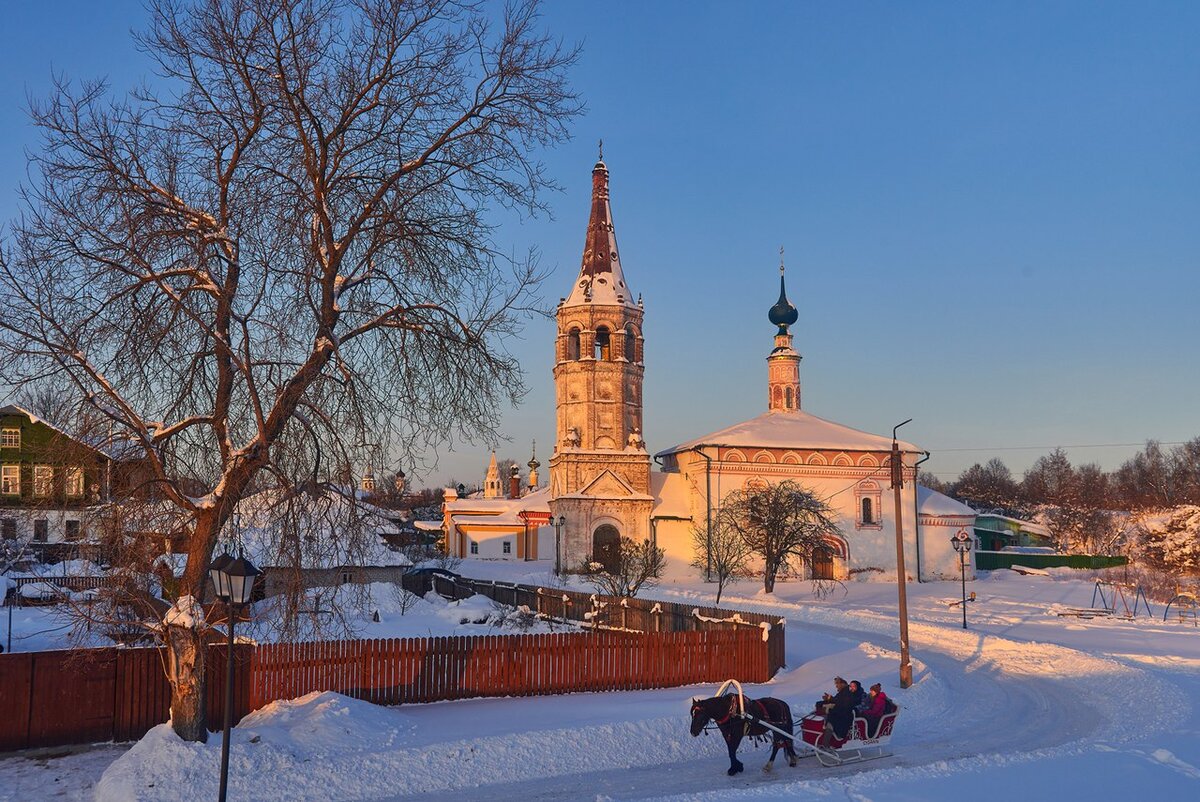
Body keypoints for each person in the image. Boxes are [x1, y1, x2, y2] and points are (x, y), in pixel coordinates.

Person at [818, 677, 855, 747]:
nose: (836, 686)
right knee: (823, 717)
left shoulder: (847, 693)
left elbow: (843, 706)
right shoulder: (842, 692)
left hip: (844, 717)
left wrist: (831, 707)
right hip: (839, 713)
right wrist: (829, 699)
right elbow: (836, 701)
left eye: (837, 684)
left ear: (843, 684)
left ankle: (825, 743)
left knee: (830, 721)